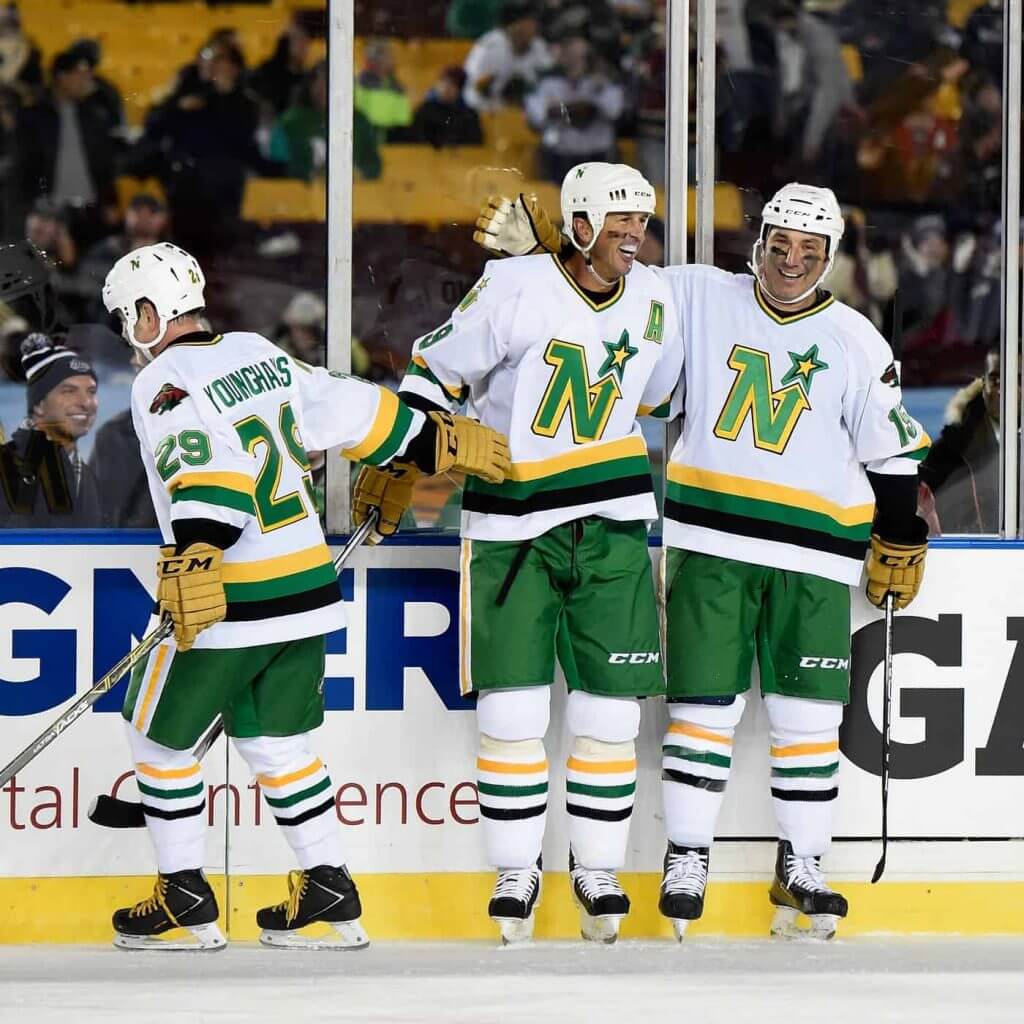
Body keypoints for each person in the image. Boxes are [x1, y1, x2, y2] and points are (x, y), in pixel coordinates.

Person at [473, 182, 931, 941]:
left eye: (809, 253)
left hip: (816, 554)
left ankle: (804, 863)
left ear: (830, 259)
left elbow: (889, 446)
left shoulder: (856, 339)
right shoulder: (695, 293)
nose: (791, 263)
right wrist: (544, 254)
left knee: (807, 719)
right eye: (780, 246)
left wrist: (902, 527)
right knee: (701, 712)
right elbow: (608, 283)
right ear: (759, 241)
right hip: (709, 545)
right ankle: (689, 856)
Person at [100, 242, 510, 951]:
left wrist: (199, 545)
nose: (128, 339)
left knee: (157, 741)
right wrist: (426, 442)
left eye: (126, 320)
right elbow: (354, 412)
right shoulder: (259, 351)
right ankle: (329, 887)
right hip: (305, 588)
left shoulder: (160, 381)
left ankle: (184, 898)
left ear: (147, 313)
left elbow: (205, 466)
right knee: (279, 744)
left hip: (229, 596)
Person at [355, 163, 684, 945]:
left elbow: (656, 395)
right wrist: (406, 454)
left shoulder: (658, 297)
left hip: (610, 523)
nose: (634, 234)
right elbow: (434, 372)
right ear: (577, 225)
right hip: (510, 524)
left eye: (641, 219)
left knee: (609, 711)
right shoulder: (509, 288)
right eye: (617, 220)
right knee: (512, 709)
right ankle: (516, 869)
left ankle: (596, 870)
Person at [0, 332, 104, 528]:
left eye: (91, 391)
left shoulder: (89, 474)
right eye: (69, 391)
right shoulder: (6, 465)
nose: (85, 402)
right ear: (38, 404)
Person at [919, 348, 999, 534]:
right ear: (983, 384)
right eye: (995, 380)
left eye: (1018, 379)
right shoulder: (945, 454)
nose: (1004, 389)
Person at [524, 36, 625, 183]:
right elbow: (537, 115)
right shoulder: (547, 81)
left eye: (581, 56)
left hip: (597, 158)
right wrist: (577, 107)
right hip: (558, 158)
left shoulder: (604, 81)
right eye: (570, 55)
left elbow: (613, 110)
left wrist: (567, 108)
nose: (575, 61)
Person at [462, 2, 552, 112]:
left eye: (534, 22)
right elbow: (472, 92)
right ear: (513, 25)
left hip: (527, 113)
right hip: (490, 111)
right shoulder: (489, 47)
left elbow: (548, 85)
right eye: (528, 21)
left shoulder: (539, 46)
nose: (533, 26)